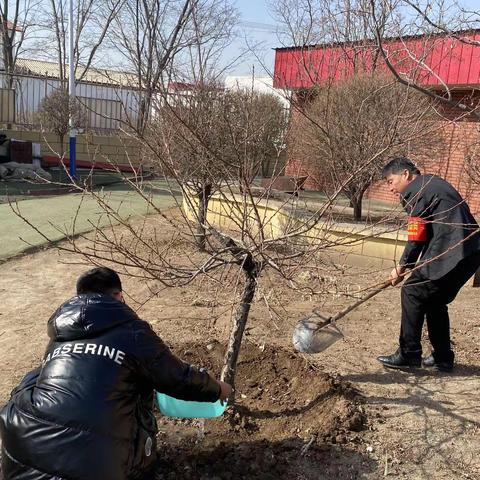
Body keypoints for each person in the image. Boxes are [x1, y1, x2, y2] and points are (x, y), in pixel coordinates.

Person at [0, 267, 232, 480]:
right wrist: (218, 389)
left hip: (22, 454)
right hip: (94, 465)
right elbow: (177, 378)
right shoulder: (133, 331)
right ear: (119, 296)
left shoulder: (59, 337)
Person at [377, 157, 480, 372]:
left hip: (452, 252)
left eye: (390, 181)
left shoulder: (417, 191)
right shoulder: (432, 183)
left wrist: (402, 267)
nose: (390, 188)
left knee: (412, 291)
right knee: (434, 300)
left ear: (405, 174)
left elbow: (417, 236)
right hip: (470, 252)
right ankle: (443, 358)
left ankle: (409, 353)